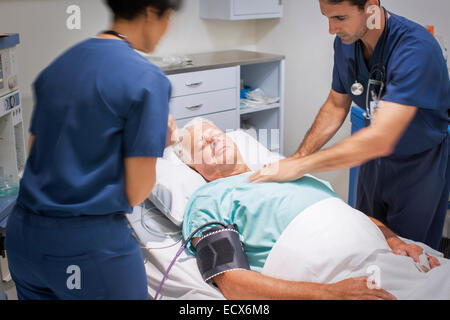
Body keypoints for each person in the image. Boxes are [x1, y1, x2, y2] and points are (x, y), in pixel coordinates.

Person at [5, 0, 182, 300]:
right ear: (152, 12)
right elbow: (136, 192)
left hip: (24, 238)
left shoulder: (60, 65)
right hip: (88, 248)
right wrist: (158, 142)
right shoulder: (147, 79)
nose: (167, 29)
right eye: (169, 18)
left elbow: (36, 154)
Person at [249, 0, 450, 251]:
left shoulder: (415, 48)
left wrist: (301, 166)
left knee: (411, 253)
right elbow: (336, 105)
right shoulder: (346, 44)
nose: (332, 29)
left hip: (418, 166)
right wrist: (297, 157)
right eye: (327, 17)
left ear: (371, 8)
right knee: (368, 240)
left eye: (340, 18)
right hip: (371, 164)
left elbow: (382, 138)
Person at [171, 118, 441, 300]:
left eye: (215, 135)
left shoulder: (288, 172)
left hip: (389, 260)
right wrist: (331, 293)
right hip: (340, 278)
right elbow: (232, 282)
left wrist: (394, 239)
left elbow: (347, 213)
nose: (215, 141)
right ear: (194, 167)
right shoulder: (209, 199)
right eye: (203, 145)